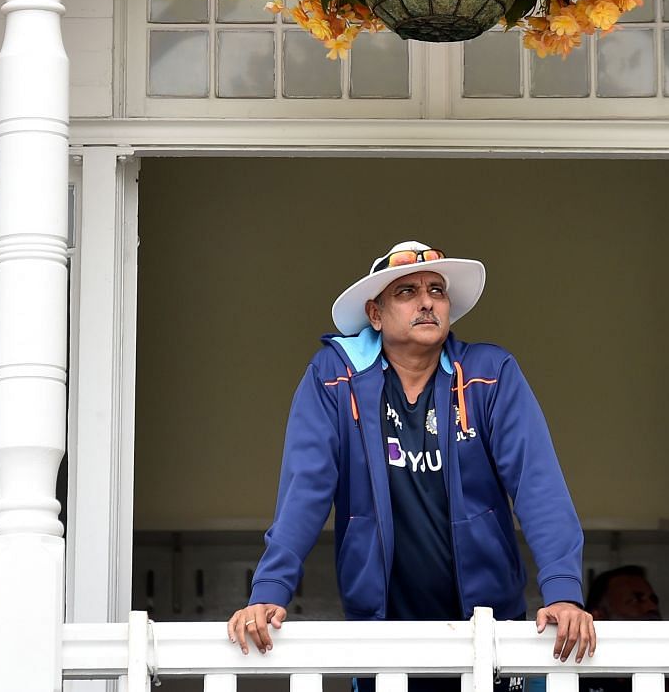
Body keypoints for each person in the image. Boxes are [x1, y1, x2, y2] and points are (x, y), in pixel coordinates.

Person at [228, 240, 596, 669]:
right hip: (380, 634)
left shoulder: (489, 374)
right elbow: (304, 490)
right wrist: (268, 592)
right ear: (375, 314)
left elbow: (538, 486)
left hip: (487, 630)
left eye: (436, 291)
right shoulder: (332, 377)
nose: (426, 302)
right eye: (407, 292)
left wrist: (565, 594)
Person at [582, 566, 669, 692]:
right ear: (598, 616)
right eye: (635, 599)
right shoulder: (575, 670)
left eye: (653, 600)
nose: (652, 607)